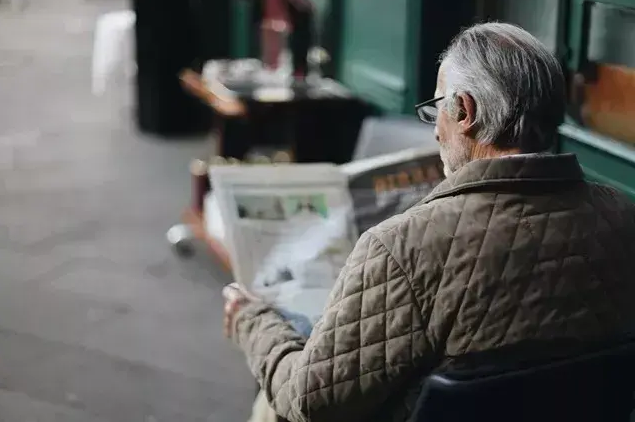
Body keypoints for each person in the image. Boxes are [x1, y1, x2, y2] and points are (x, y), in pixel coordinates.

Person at [223, 23, 635, 422]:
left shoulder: (401, 249)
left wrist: (251, 320)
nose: (436, 132)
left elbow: (309, 403)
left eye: (437, 107)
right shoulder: (623, 216)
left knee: (274, 401)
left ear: (465, 110)